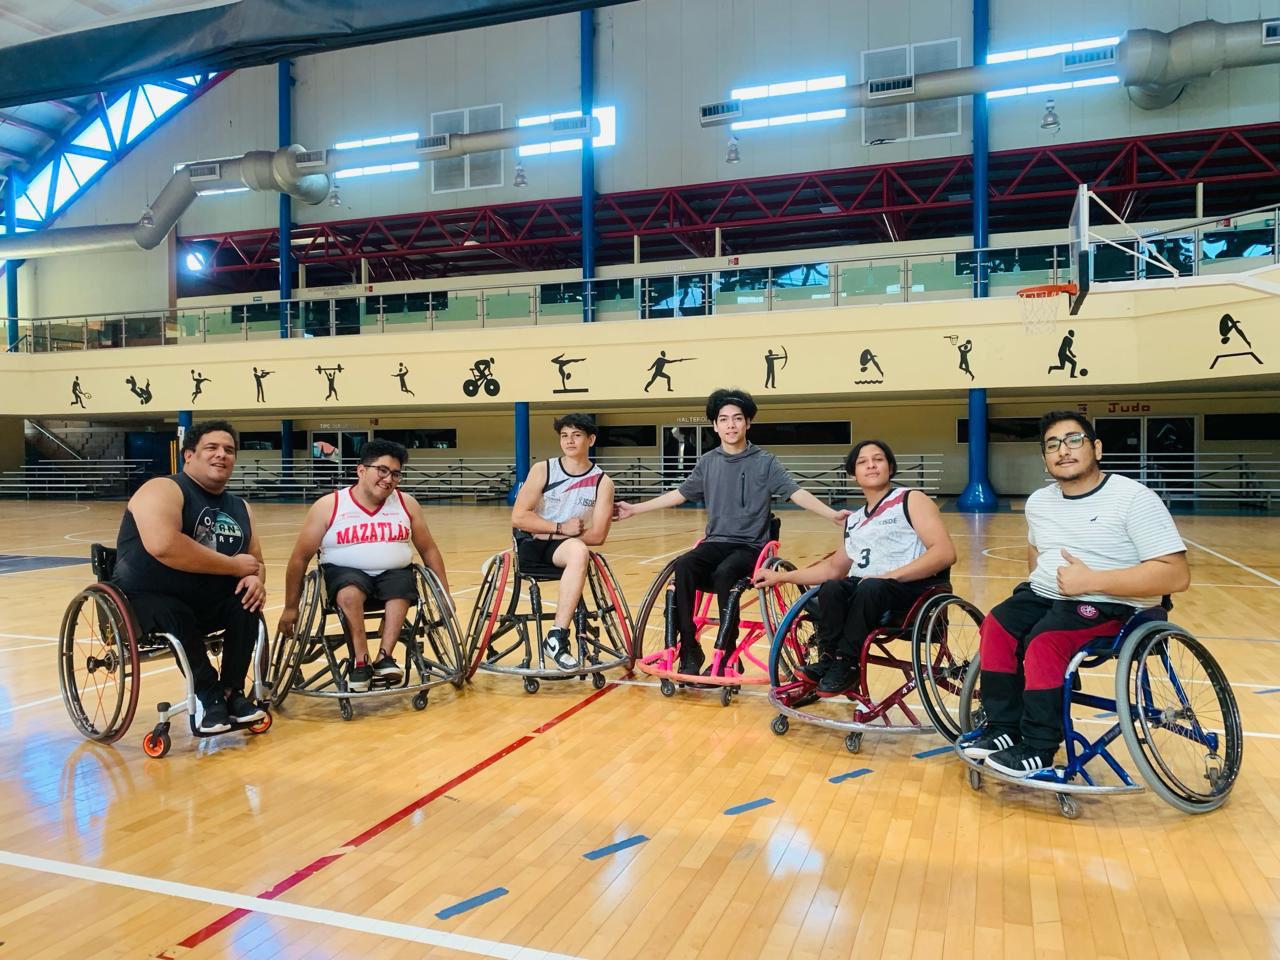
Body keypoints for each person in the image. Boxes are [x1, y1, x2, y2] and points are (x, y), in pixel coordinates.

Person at [963, 410, 1189, 778]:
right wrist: (1043, 588)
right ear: (1045, 457)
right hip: (1050, 595)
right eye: (1052, 445)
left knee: (1046, 641)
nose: (1063, 450)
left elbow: (1176, 575)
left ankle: (1038, 746)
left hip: (1113, 604)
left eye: (1073, 440)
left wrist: (1093, 580)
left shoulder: (1134, 498)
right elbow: (1036, 553)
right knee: (997, 625)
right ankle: (1003, 728)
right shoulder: (1039, 502)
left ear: (1096, 448)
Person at [615, 388, 848, 675]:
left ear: (748, 423)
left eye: (737, 419)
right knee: (684, 565)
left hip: (751, 547)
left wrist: (831, 514)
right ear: (715, 425)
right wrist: (635, 509)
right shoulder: (708, 461)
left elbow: (796, 493)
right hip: (715, 542)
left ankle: (726, 653)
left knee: (727, 572)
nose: (731, 425)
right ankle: (690, 649)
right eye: (724, 419)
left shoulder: (765, 462)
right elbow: (679, 494)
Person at [753, 439, 956, 695]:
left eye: (878, 459)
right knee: (833, 588)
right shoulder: (856, 520)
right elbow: (833, 570)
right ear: (853, 474)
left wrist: (889, 577)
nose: (871, 465)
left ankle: (847, 665)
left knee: (869, 586)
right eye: (862, 462)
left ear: (890, 468)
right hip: (868, 592)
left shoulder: (911, 499)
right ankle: (829, 659)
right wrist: (782, 577)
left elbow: (945, 552)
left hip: (911, 590)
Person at [111, 420, 267, 734]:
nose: (221, 455)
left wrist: (255, 578)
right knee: (175, 611)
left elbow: (255, 561)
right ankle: (208, 696)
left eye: (229, 450)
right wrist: (236, 567)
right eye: (211, 448)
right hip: (146, 598)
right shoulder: (163, 488)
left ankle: (232, 693)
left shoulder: (240, 507)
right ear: (188, 456)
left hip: (206, 600)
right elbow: (165, 545)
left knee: (247, 604)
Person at [278, 439, 451, 692]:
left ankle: (385, 656)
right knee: (349, 591)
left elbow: (428, 549)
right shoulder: (329, 505)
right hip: (344, 573)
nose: (388, 479)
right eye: (382, 470)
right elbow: (299, 558)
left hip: (394, 575)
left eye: (395, 474)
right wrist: (291, 607)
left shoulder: (407, 503)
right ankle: (361, 660)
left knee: (401, 585)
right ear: (361, 470)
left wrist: (444, 594)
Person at [510, 414, 616, 670]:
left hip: (566, 547)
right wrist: (559, 527)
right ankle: (559, 636)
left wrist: (560, 535)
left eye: (576, 435)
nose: (569, 441)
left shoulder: (603, 482)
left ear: (590, 439)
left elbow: (598, 535)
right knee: (578, 549)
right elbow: (519, 517)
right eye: (564, 435)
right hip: (533, 545)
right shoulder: (543, 469)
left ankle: (557, 635)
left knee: (580, 552)